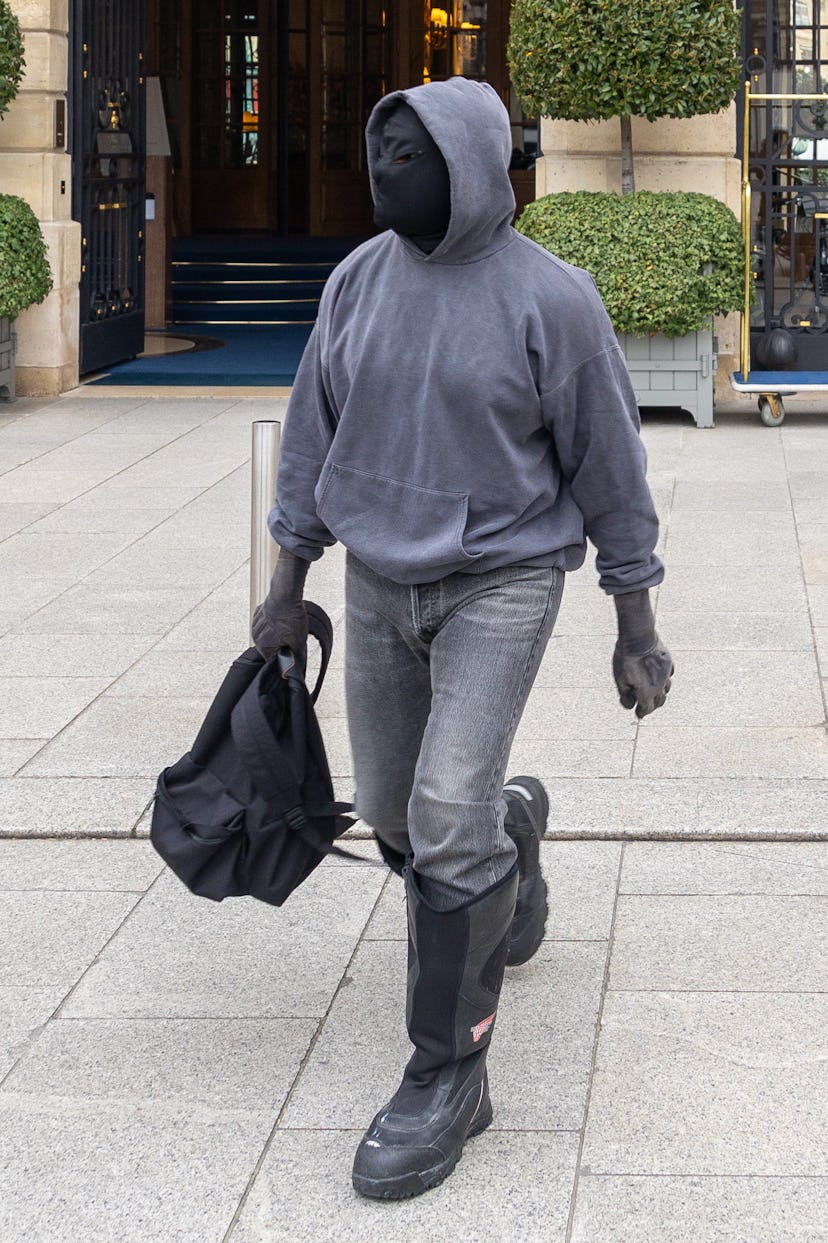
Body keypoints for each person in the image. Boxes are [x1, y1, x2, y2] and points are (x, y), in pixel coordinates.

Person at [252, 77, 673, 1201]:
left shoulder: (553, 300)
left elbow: (611, 469)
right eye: (379, 149)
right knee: (396, 813)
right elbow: (309, 437)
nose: (387, 170)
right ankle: (513, 838)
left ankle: (448, 1073)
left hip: (504, 575)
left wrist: (635, 620)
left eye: (413, 152)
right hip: (381, 578)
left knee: (442, 811)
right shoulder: (356, 283)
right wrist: (285, 586)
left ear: (475, 162)